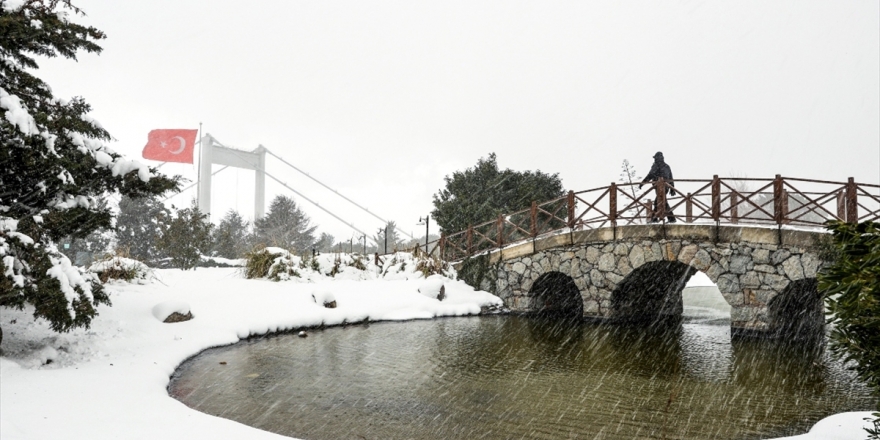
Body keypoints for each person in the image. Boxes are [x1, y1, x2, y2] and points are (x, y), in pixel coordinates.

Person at [639, 152, 677, 223]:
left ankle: (656, 218)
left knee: (659, 202)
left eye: (655, 158)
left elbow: (650, 175)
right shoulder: (666, 166)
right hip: (666, 187)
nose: (654, 159)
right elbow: (670, 178)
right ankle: (664, 218)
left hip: (659, 187)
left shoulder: (656, 165)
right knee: (662, 201)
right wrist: (672, 188)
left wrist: (642, 183)